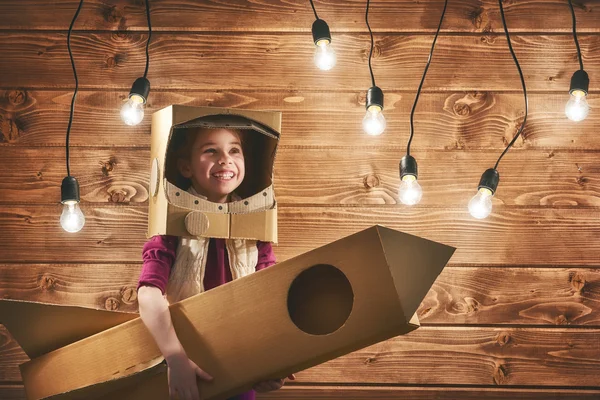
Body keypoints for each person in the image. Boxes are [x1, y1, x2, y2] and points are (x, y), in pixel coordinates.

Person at [137, 126, 293, 400]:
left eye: (234, 150)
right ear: (186, 167)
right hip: (185, 367)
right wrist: (175, 358)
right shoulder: (169, 227)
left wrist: (272, 359)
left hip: (237, 365)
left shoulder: (255, 226)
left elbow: (271, 297)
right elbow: (148, 294)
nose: (225, 159)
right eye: (211, 150)